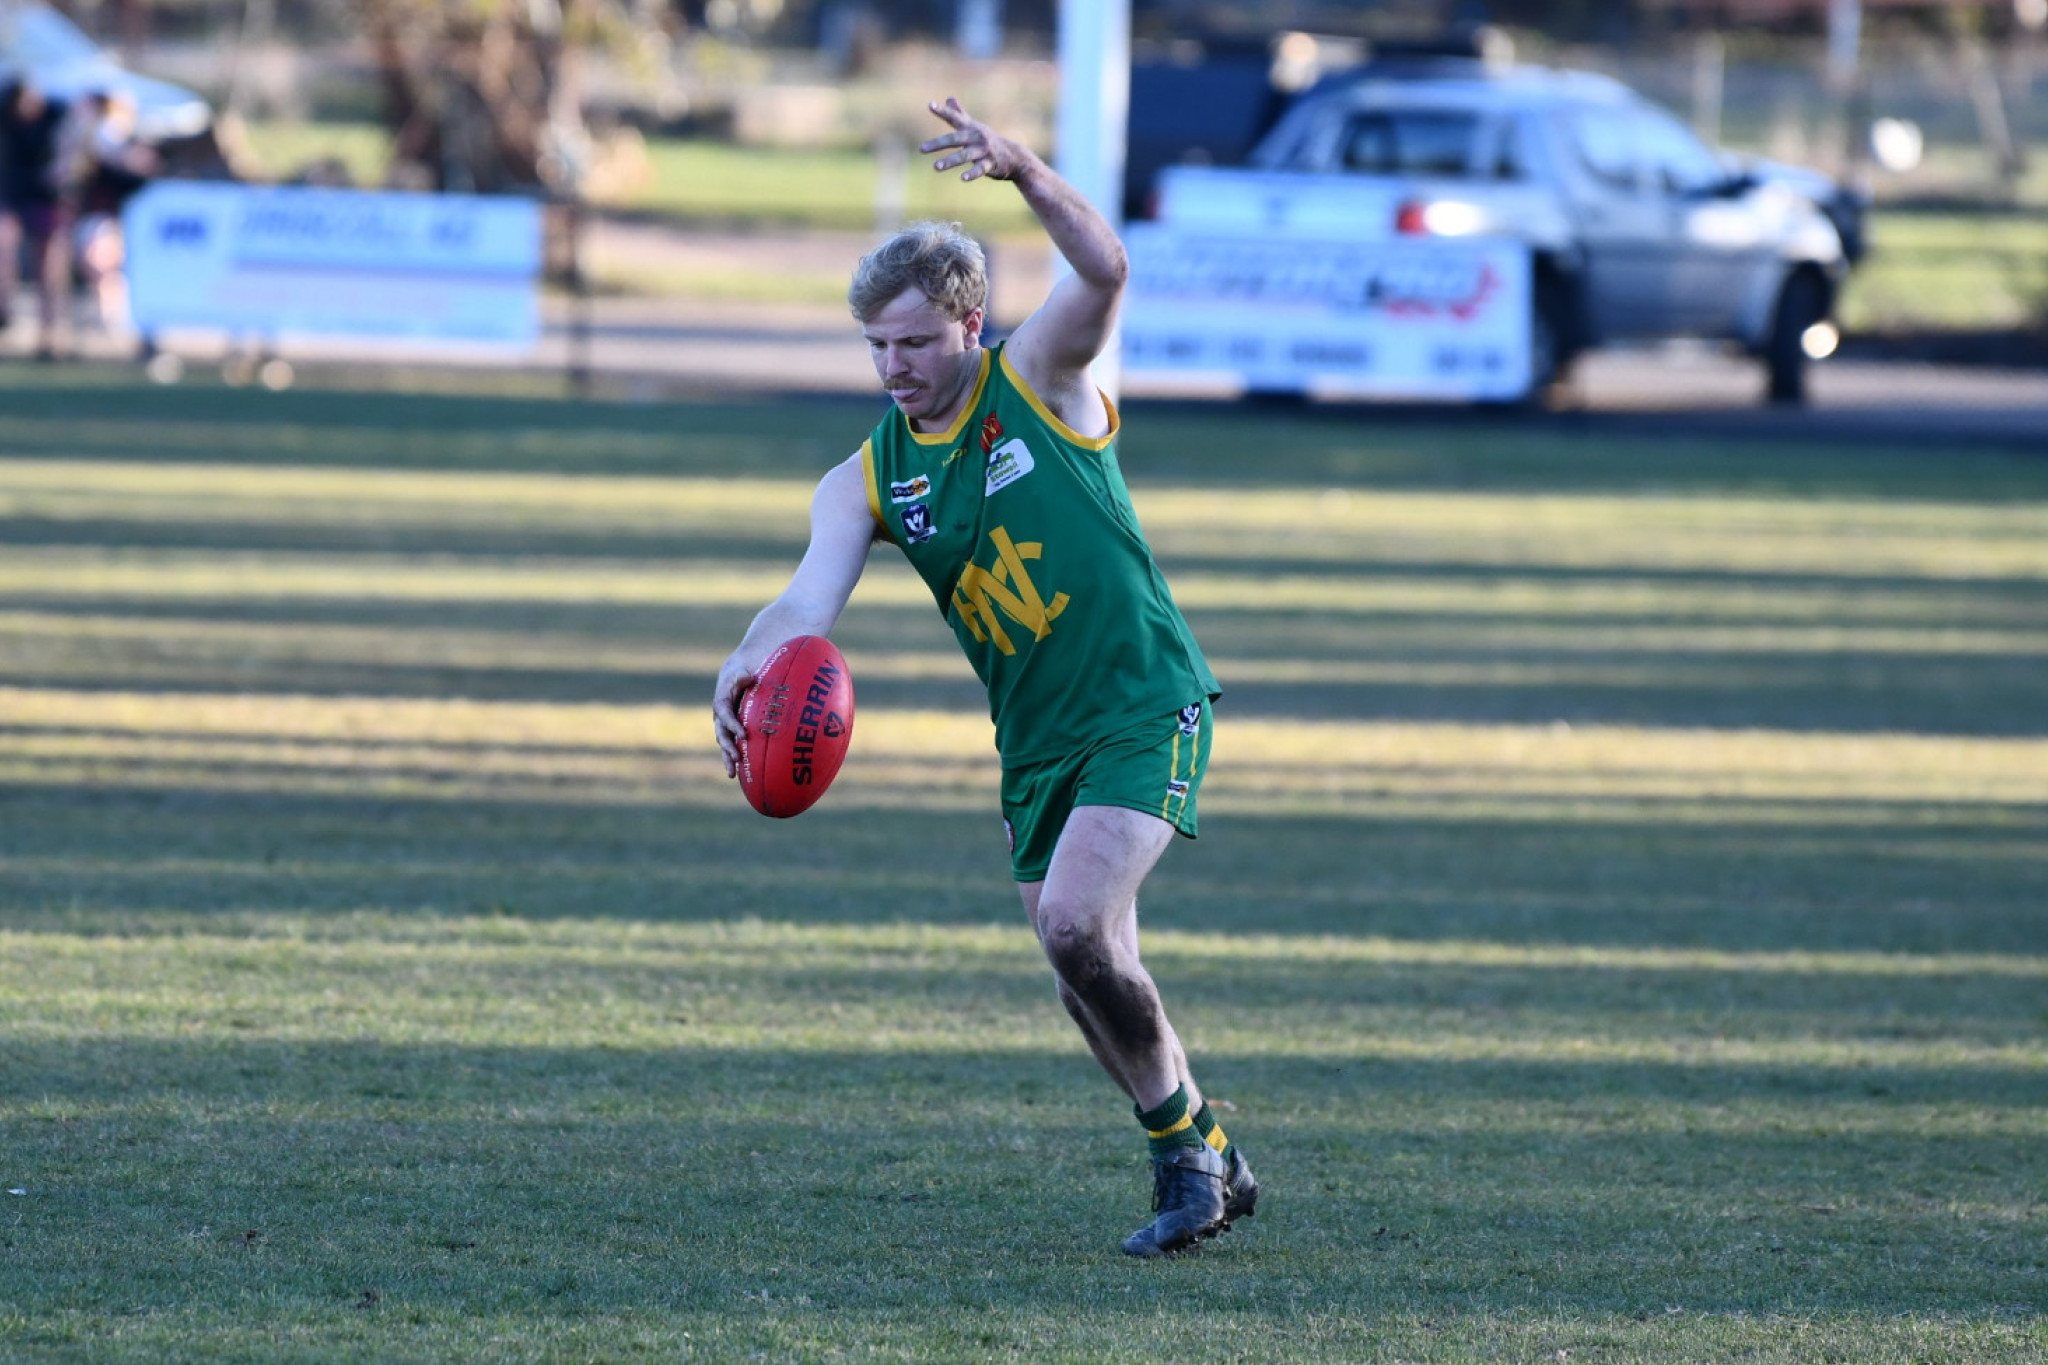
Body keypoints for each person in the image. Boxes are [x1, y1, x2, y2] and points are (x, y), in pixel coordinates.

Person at [712, 97, 1258, 1257]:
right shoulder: (867, 473)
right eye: (874, 347)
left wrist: (1023, 173)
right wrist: (749, 659)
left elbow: (1105, 270)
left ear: (968, 324)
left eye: (912, 343)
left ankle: (1183, 1171)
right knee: (1082, 974)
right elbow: (809, 597)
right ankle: (1203, 1140)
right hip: (1035, 743)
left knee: (1074, 924)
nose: (892, 367)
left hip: (1141, 704)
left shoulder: (1038, 380)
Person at [0, 79, 71, 357]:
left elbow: (70, 152)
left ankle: (49, 334)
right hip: (14, 195)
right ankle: (5, 314)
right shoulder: (7, 115)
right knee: (5, 254)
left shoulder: (57, 115)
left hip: (46, 198)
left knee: (48, 268)